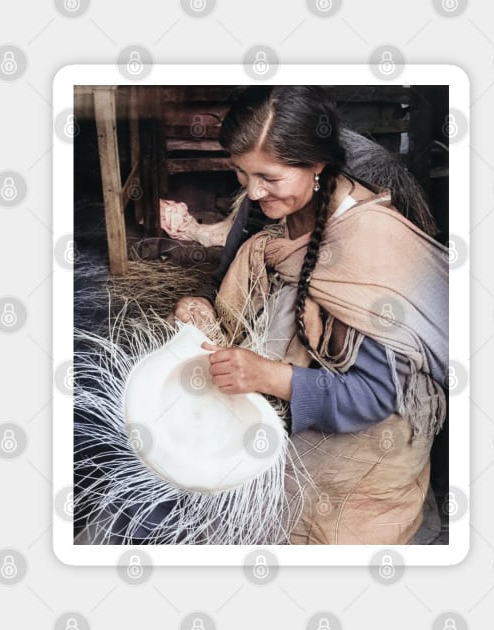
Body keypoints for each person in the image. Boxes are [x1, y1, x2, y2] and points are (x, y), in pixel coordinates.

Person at [162, 86, 448, 544]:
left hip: (361, 445)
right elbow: (233, 282)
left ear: (317, 165)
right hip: (286, 394)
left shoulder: (372, 252)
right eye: (240, 172)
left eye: (268, 178)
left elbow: (373, 398)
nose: (253, 191)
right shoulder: (275, 205)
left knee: (291, 513)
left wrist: (269, 377)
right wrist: (201, 305)